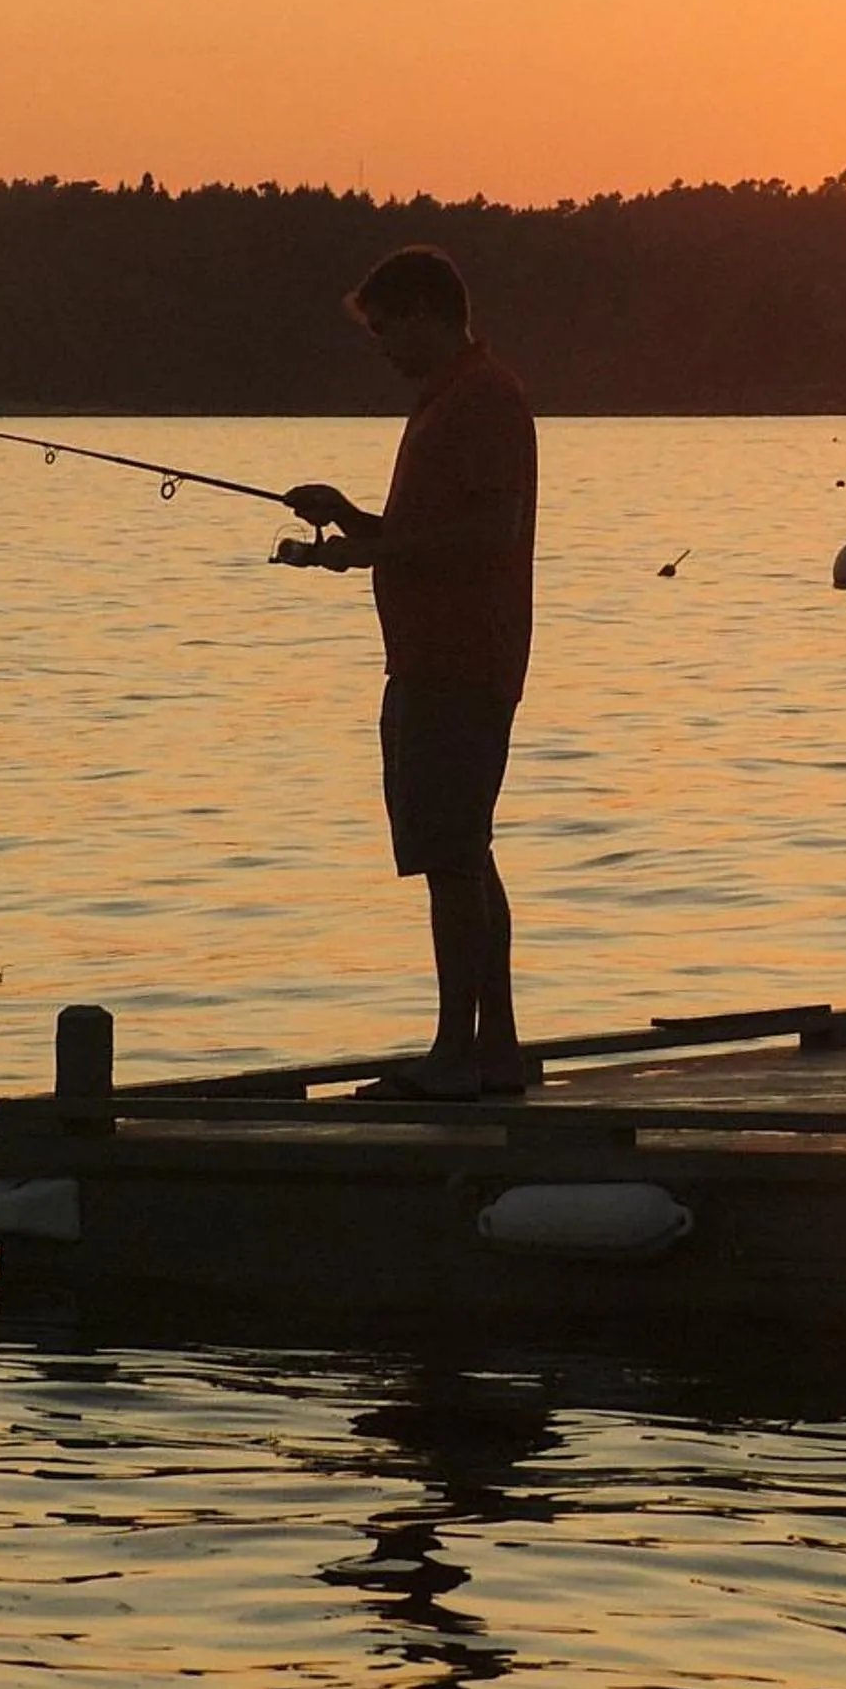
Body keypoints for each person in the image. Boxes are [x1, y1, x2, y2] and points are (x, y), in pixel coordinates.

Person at [286, 247, 536, 1100]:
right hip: (431, 658)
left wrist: (375, 551)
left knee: (451, 858)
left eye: (390, 332)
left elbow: (491, 531)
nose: (385, 350)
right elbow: (430, 528)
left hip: (461, 664)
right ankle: (492, 1051)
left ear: (430, 312)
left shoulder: (485, 400)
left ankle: (454, 1056)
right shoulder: (443, 403)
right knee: (466, 852)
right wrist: (351, 521)